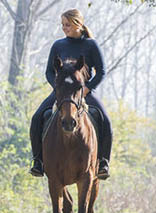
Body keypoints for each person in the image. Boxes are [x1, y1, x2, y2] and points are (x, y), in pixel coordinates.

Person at [29, 8, 112, 179]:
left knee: (106, 121)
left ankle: (103, 162)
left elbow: (101, 71)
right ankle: (38, 161)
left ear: (78, 24)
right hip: (61, 94)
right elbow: (49, 72)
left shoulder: (91, 45)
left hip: (84, 93)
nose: (64, 28)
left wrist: (87, 88)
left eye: (67, 24)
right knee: (37, 118)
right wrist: (58, 88)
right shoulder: (58, 45)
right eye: (62, 25)